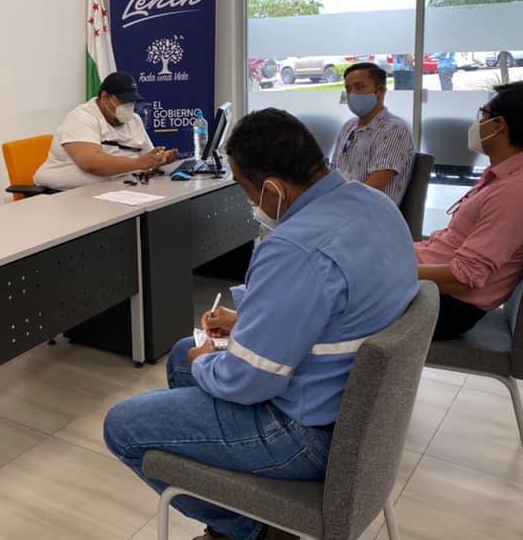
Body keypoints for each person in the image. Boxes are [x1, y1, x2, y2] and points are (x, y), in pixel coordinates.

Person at [103, 109, 419, 540]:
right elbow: (334, 306)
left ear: (273, 189)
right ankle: (234, 497)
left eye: (246, 189)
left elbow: (248, 380)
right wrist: (243, 324)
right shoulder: (375, 205)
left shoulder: (294, 247)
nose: (249, 202)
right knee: (180, 354)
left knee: (124, 424)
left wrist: (203, 362)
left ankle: (249, 531)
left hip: (306, 432)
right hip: (357, 417)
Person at [417, 82, 523, 340]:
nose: (478, 123)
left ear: (498, 125)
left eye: (483, 114)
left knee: (341, 282)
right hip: (430, 284)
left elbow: (462, 278)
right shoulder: (510, 176)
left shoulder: (519, 192)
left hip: (439, 304)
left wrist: (393, 270)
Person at [34, 71, 177, 189]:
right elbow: (92, 163)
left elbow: (146, 158)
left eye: (132, 102)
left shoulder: (134, 120)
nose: (129, 107)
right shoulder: (81, 118)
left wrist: (159, 160)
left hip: (118, 189)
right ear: (105, 97)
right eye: (124, 101)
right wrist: (139, 163)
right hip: (65, 195)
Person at [330, 62, 415, 204]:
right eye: (348, 89)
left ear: (379, 91)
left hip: (369, 212)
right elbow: (333, 174)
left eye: (359, 87)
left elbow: (371, 190)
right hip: (340, 206)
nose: (352, 94)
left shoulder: (394, 129)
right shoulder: (348, 126)